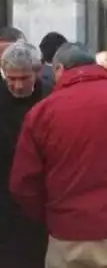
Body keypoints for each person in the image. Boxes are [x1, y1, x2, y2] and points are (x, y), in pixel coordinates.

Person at [10, 42, 107, 268]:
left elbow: (23, 182)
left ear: (60, 68)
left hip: (67, 233)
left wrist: (50, 216)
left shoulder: (42, 112)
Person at [0, 41, 50, 268]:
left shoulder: (51, 97)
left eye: (24, 78)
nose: (17, 85)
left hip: (41, 197)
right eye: (11, 78)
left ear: (37, 71)